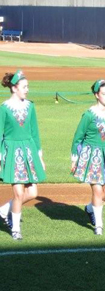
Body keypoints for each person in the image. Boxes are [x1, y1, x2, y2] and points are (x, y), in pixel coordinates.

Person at [70, 79, 105, 235]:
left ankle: (89, 208)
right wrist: (74, 158)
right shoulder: (89, 114)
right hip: (91, 155)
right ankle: (99, 226)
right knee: (97, 191)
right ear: (96, 95)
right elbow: (78, 136)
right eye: (104, 93)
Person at [0, 70, 46, 240]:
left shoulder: (30, 106)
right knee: (19, 193)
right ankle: (16, 229)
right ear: (14, 88)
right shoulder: (4, 108)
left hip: (29, 151)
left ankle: (5, 210)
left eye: (27, 86)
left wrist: (39, 157)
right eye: (24, 86)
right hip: (11, 152)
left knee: (32, 192)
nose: (27, 89)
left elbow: (35, 133)